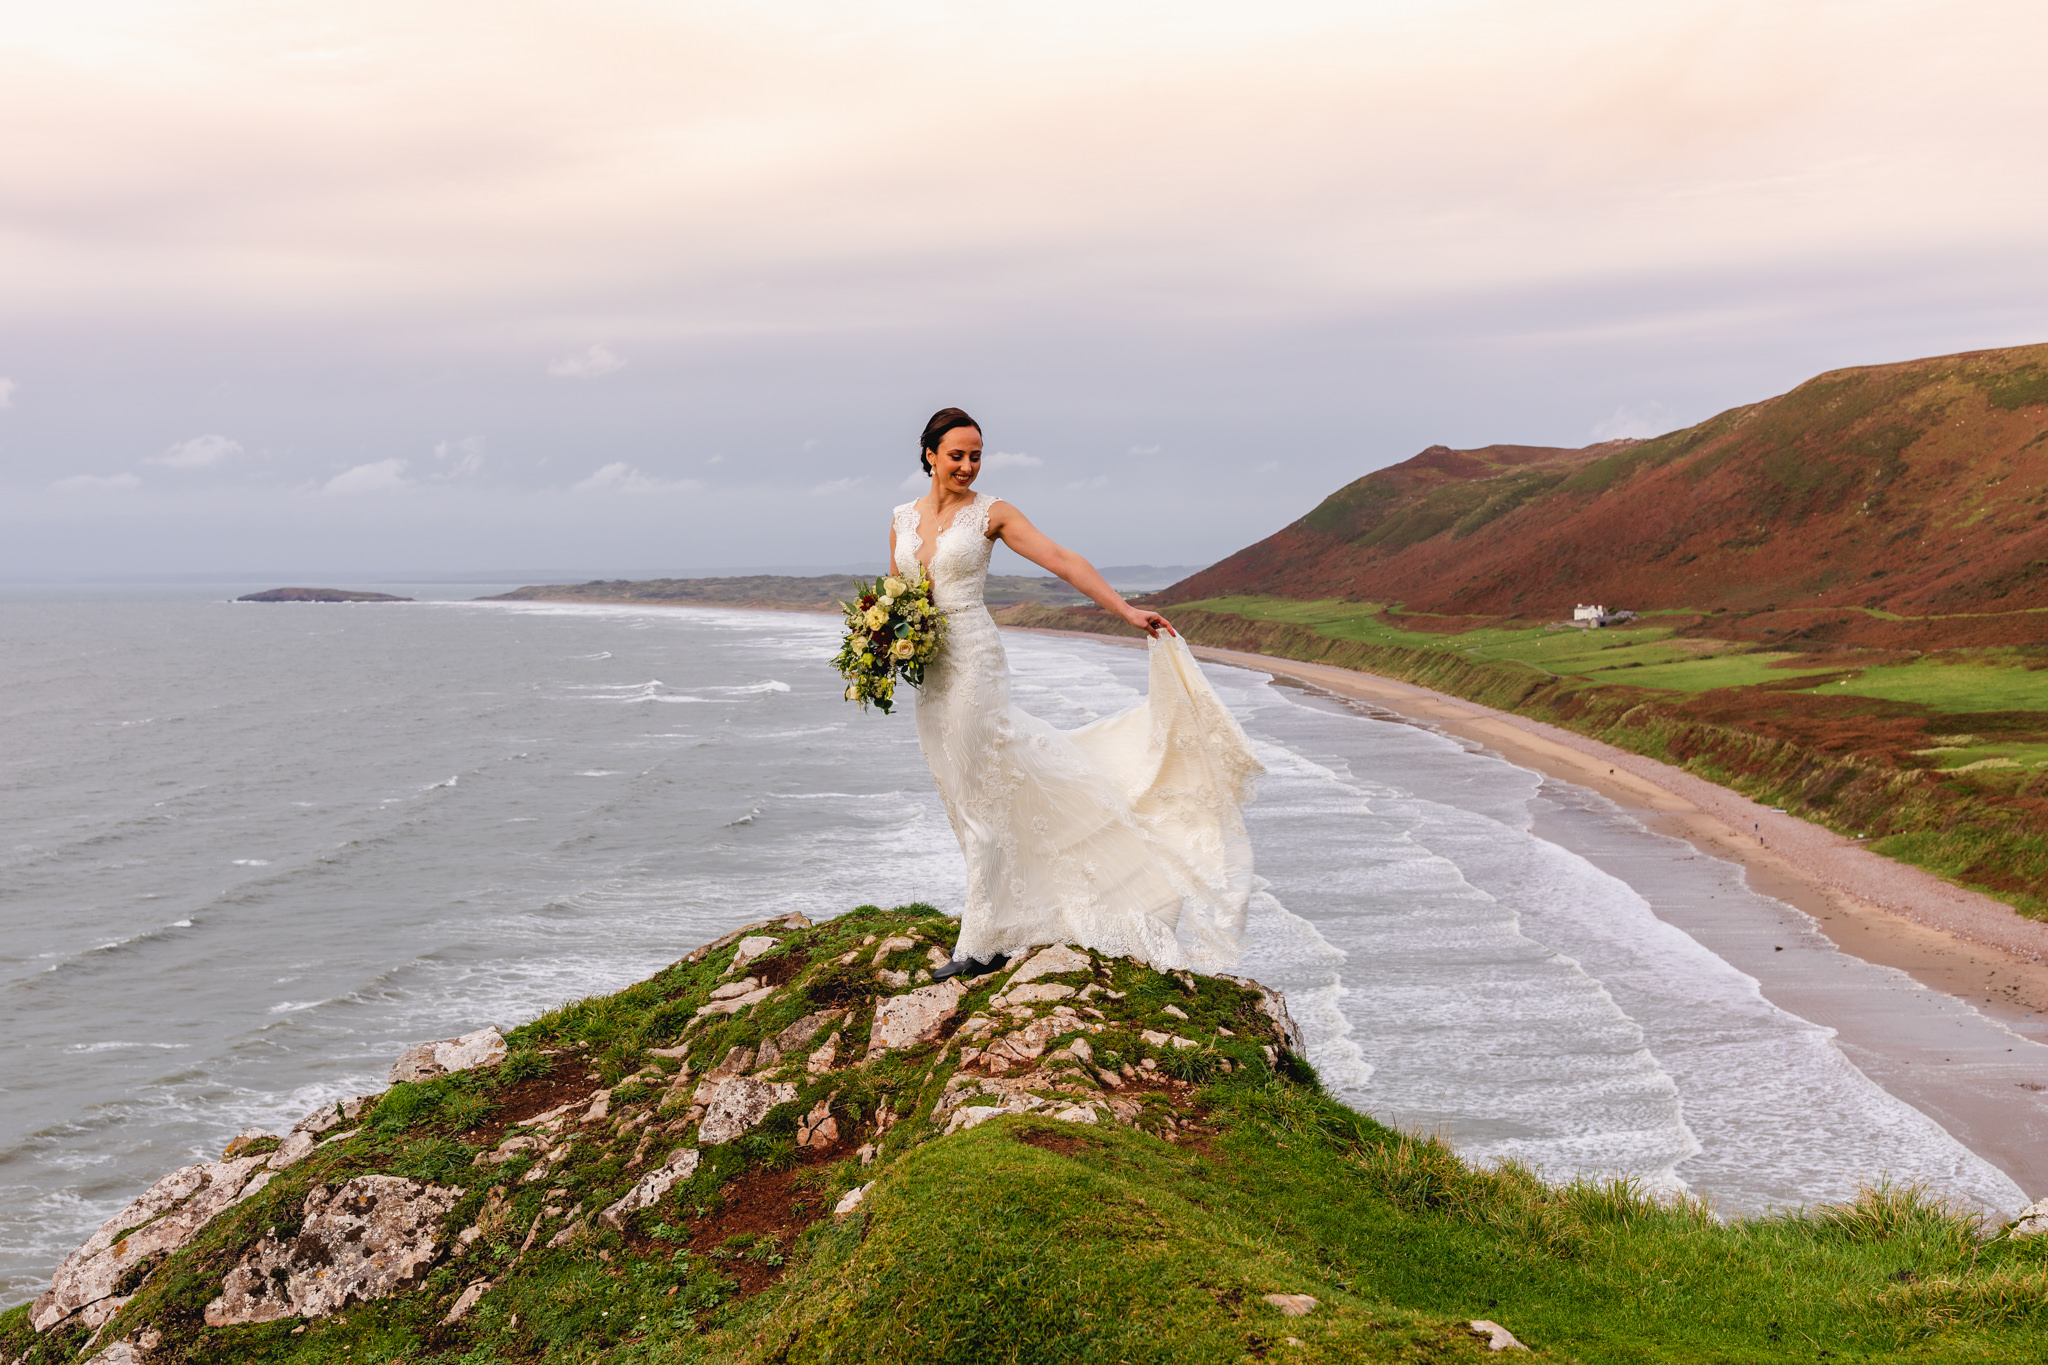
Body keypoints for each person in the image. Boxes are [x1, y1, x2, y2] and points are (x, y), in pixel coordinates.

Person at [888, 407, 1263, 979]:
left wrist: (1126, 610)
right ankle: (1003, 915)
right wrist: (885, 638)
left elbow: (1062, 559)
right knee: (959, 792)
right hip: (930, 674)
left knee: (982, 794)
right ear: (930, 455)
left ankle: (981, 944)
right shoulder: (902, 519)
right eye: (957, 454)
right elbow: (893, 594)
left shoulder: (993, 514)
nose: (968, 465)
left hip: (973, 662)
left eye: (977, 455)